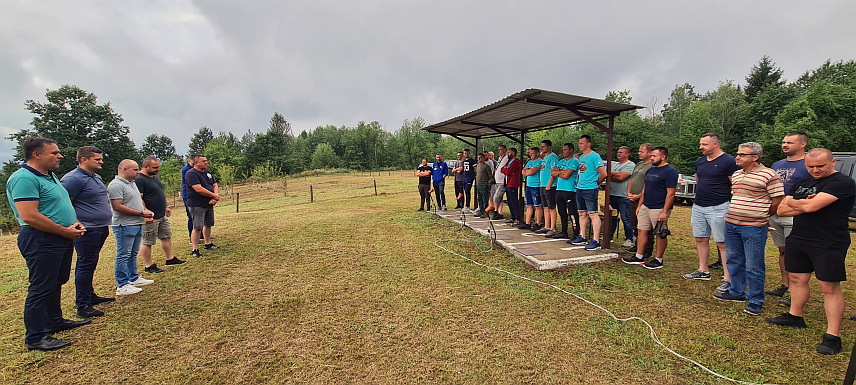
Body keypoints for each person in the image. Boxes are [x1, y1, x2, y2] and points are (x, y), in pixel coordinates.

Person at [767, 148, 855, 355]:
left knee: (828, 287)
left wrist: (800, 204)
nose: (815, 170)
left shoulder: (842, 183)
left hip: (828, 240)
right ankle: (795, 316)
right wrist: (803, 204)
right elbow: (781, 209)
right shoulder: (802, 184)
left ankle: (833, 336)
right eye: (810, 166)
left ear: (832, 162)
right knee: (797, 278)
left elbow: (811, 208)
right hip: (799, 237)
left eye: (820, 166)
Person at [6, 137, 88, 351]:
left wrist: (73, 223)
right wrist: (64, 230)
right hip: (40, 239)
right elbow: (29, 215)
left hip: (60, 237)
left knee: (56, 282)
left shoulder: (50, 176)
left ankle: (54, 321)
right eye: (54, 153)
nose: (60, 156)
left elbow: (57, 206)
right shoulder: (24, 178)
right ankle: (35, 337)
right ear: (36, 154)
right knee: (41, 288)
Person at [713, 142, 784, 317]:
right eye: (738, 154)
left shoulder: (769, 174)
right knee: (734, 259)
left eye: (742, 154)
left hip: (753, 226)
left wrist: (763, 216)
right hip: (732, 223)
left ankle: (755, 299)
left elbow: (777, 199)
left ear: (755, 157)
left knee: (754, 264)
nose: (737, 157)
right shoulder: (737, 174)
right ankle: (736, 292)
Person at [60, 146, 115, 318]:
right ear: (84, 160)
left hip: (100, 227)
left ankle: (90, 295)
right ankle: (82, 305)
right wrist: (74, 223)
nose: (101, 162)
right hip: (87, 229)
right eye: (97, 159)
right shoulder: (73, 179)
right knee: (85, 264)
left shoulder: (95, 177)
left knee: (91, 263)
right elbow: (63, 204)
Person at [683, 134, 741, 290]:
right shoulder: (700, 161)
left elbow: (735, 184)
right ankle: (703, 270)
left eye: (704, 144)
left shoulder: (729, 161)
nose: (701, 147)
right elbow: (698, 180)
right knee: (700, 238)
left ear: (715, 144)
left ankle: (728, 278)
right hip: (699, 205)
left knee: (722, 242)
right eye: (701, 144)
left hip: (719, 206)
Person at [765, 132, 811, 307]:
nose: (785, 145)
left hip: (796, 214)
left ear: (803, 144)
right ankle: (785, 285)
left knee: (795, 251)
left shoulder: (809, 164)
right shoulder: (777, 165)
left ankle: (794, 290)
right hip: (776, 212)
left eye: (789, 142)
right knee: (783, 250)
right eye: (784, 142)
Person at [622, 147, 677, 269]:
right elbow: (645, 189)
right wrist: (640, 205)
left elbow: (671, 193)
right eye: (651, 156)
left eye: (655, 156)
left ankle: (658, 259)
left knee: (659, 233)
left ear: (663, 157)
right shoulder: (651, 170)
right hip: (646, 206)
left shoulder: (670, 171)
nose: (652, 158)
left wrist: (664, 211)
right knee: (642, 230)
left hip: (659, 207)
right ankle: (639, 256)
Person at [108, 159, 155, 295]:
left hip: (136, 223)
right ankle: (122, 284)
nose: (138, 172)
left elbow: (137, 201)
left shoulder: (132, 183)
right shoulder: (116, 185)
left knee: (133, 253)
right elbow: (117, 206)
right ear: (124, 170)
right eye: (135, 170)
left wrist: (144, 212)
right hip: (124, 225)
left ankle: (133, 278)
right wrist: (141, 213)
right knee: (123, 254)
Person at [136, 157, 186, 274]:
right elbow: (139, 198)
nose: (158, 169)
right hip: (150, 216)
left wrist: (166, 206)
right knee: (147, 240)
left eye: (158, 167)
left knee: (166, 236)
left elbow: (160, 193)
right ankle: (149, 265)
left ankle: (170, 259)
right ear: (145, 167)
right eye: (155, 167)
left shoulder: (155, 177)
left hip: (161, 214)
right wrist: (145, 212)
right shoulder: (139, 180)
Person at [571, 135, 607, 250]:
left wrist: (597, 183)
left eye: (582, 143)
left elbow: (603, 173)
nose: (579, 145)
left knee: (593, 214)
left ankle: (596, 240)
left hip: (590, 189)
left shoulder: (595, 156)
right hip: (580, 188)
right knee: (582, 213)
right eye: (579, 143)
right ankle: (582, 236)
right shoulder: (581, 157)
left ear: (588, 144)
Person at [185, 155, 221, 257]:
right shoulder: (191, 174)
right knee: (197, 226)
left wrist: (215, 197)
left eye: (206, 160)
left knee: (208, 224)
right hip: (197, 204)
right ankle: (195, 249)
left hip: (209, 203)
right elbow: (198, 189)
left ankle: (208, 243)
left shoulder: (208, 173)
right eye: (203, 161)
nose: (206, 162)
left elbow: (214, 185)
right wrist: (214, 195)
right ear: (195, 163)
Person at [627, 144, 654, 257]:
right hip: (632, 197)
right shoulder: (639, 164)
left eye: (641, 151)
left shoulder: (652, 166)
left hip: (644, 199)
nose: (639, 153)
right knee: (635, 222)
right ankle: (638, 245)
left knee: (646, 225)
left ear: (649, 153)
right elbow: (632, 179)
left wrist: (639, 196)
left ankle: (647, 249)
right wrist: (628, 192)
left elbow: (649, 183)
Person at [550, 143, 580, 240]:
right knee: (562, 212)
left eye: (565, 149)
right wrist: (561, 172)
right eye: (563, 149)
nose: (563, 151)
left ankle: (576, 232)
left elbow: (567, 175)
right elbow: (553, 173)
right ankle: (564, 231)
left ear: (571, 150)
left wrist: (560, 173)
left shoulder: (574, 161)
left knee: (572, 212)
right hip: (559, 189)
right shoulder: (561, 161)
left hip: (570, 190)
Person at [608, 146, 636, 248]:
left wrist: (612, 175)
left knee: (626, 218)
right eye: (618, 152)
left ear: (627, 154)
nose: (618, 153)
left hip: (623, 196)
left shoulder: (630, 165)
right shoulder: (614, 164)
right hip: (612, 194)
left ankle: (629, 239)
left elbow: (621, 177)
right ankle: (609, 236)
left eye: (621, 152)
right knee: (612, 217)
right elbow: (607, 175)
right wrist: (613, 174)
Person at [536, 141, 559, 236]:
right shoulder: (544, 158)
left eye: (544, 146)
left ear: (549, 147)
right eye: (541, 146)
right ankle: (546, 226)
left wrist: (549, 184)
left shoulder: (553, 157)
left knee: (551, 207)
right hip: (542, 185)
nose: (542, 148)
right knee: (545, 206)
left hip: (550, 186)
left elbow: (554, 171)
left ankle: (553, 228)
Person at [518, 147, 543, 230]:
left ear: (537, 153)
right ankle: (527, 222)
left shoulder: (539, 161)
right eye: (530, 153)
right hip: (528, 185)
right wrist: (528, 172)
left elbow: (532, 172)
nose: (531, 155)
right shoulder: (529, 162)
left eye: (532, 153)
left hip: (535, 186)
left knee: (537, 205)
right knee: (529, 205)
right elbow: (523, 171)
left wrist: (528, 172)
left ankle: (538, 223)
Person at [501, 148, 523, 226]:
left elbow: (508, 171)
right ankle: (513, 217)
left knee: (514, 201)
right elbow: (502, 169)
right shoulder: (509, 162)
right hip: (507, 183)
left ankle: (518, 218)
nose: (508, 154)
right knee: (510, 201)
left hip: (513, 184)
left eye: (509, 152)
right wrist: (506, 170)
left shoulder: (516, 162)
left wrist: (507, 170)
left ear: (513, 153)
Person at [181, 155, 197, 241]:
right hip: (187, 195)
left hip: (194, 196)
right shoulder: (187, 170)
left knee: (198, 216)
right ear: (189, 161)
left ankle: (200, 235)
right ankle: (192, 238)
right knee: (191, 217)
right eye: (193, 163)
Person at [491, 145, 509, 220]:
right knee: (500, 198)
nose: (499, 151)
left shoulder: (507, 158)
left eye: (501, 149)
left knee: (496, 196)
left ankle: (495, 211)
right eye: (499, 149)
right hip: (497, 181)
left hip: (502, 181)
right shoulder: (500, 158)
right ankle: (500, 212)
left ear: (505, 150)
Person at [474, 153, 492, 218]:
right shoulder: (478, 166)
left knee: (485, 199)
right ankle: (481, 211)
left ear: (484, 158)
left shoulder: (486, 166)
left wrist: (485, 180)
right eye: (478, 157)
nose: (479, 159)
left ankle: (486, 212)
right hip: (478, 184)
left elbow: (490, 175)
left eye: (480, 157)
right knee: (480, 199)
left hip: (484, 185)